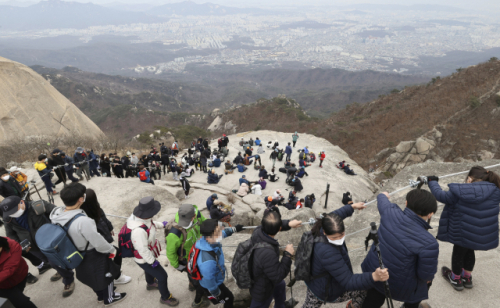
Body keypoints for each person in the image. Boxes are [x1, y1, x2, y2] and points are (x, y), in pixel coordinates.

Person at [426, 167, 500, 291]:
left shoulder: (461, 191)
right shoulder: (496, 190)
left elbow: (441, 196)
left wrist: (432, 182)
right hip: (479, 232)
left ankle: (455, 279)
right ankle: (467, 277)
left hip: (462, 230)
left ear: (470, 179)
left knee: (458, 253)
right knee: (470, 250)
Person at [361, 190, 438, 308]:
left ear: (406, 203)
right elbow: (425, 275)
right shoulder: (430, 243)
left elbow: (382, 200)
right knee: (423, 285)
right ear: (430, 214)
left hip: (374, 271)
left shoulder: (390, 212)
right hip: (400, 286)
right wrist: (428, 279)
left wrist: (383, 194)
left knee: (373, 297)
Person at [52, 183, 126, 306]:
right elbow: (98, 243)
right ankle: (110, 297)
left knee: (91, 276)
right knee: (106, 274)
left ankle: (101, 296)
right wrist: (111, 250)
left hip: (75, 253)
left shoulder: (57, 214)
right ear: (81, 199)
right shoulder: (83, 221)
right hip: (91, 252)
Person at [304, 202, 389, 308]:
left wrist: (352, 207)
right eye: (335, 237)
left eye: (342, 235)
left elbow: (335, 216)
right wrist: (374, 276)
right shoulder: (327, 252)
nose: (339, 239)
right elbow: (348, 281)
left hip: (314, 281)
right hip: (325, 289)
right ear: (325, 232)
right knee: (367, 288)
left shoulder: (324, 226)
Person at [1, 195, 76, 297]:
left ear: (22, 202)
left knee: (55, 262)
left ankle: (68, 279)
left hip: (49, 242)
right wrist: (21, 245)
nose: (13, 214)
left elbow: (58, 214)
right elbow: (11, 234)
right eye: (10, 213)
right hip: (32, 247)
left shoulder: (38, 205)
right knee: (47, 261)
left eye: (15, 210)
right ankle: (60, 270)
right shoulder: (8, 219)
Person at [125, 197, 179, 306]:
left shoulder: (141, 218)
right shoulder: (138, 232)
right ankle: (165, 297)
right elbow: (143, 250)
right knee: (162, 276)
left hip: (147, 254)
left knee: (150, 271)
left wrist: (161, 224)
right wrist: (152, 261)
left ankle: (150, 283)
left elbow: (151, 223)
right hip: (143, 258)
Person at [249, 210, 302, 307]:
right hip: (262, 288)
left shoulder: (258, 231)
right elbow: (278, 276)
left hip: (265, 274)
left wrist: (289, 224)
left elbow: (274, 224)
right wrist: (287, 255)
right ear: (279, 229)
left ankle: (280, 305)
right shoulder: (267, 253)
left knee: (280, 285)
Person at [79, 189, 131, 285]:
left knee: (113, 255)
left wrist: (110, 228)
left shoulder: (96, 208)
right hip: (99, 245)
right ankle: (117, 276)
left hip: (105, 239)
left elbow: (104, 219)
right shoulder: (85, 218)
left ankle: (115, 271)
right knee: (115, 253)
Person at [166, 204, 209, 308]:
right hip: (186, 259)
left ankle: (191, 284)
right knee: (199, 281)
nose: (183, 224)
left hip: (198, 252)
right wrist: (176, 265)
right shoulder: (174, 234)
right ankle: (198, 302)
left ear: (193, 216)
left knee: (192, 274)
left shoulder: (198, 215)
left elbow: (205, 223)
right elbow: (170, 252)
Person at [196, 219, 244, 307]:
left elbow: (221, 234)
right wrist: (217, 293)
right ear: (208, 237)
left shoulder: (206, 240)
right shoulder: (207, 262)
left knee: (201, 285)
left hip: (208, 279)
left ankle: (198, 298)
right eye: (218, 231)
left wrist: (234, 229)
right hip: (213, 284)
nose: (222, 231)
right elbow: (209, 281)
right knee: (229, 298)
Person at [0, 236, 38, 308]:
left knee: (22, 302)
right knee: (19, 301)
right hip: (2, 286)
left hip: (18, 277)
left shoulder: (13, 245)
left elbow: (9, 269)